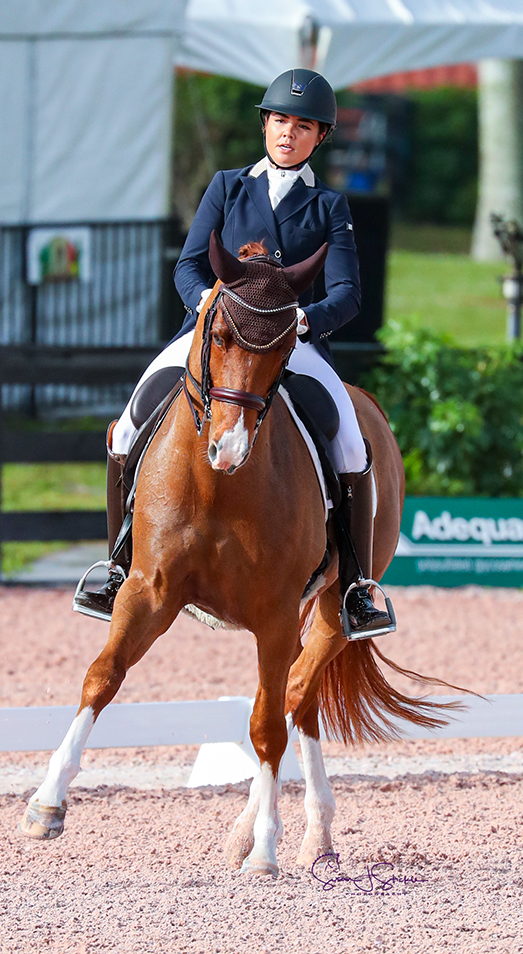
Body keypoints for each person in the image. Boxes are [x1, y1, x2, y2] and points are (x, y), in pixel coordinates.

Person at [74, 68, 393, 638]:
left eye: (301, 126)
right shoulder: (228, 186)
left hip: (287, 344)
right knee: (125, 431)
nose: (287, 134)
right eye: (278, 121)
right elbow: (189, 264)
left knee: (349, 440)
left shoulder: (328, 205)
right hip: (212, 337)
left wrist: (303, 319)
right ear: (265, 125)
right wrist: (207, 308)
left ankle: (357, 588)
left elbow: (346, 294)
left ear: (319, 137)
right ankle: (117, 563)